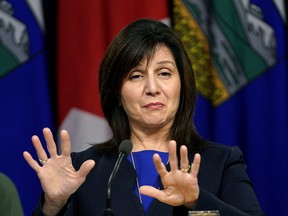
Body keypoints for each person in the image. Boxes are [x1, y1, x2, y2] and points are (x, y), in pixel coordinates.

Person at [23, 18, 265, 216]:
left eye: (164, 73)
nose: (152, 87)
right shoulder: (81, 171)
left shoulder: (221, 162)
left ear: (183, 84)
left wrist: (198, 200)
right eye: (136, 76)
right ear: (116, 92)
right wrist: (52, 206)